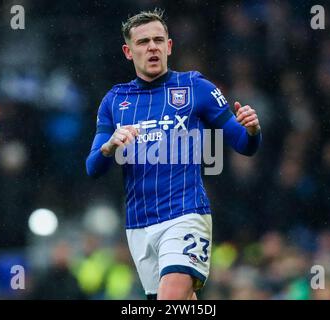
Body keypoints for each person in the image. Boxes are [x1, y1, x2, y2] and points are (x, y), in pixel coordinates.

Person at [86, 8, 261, 300]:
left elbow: (244, 144)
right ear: (128, 52)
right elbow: (93, 168)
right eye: (143, 42)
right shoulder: (114, 100)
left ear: (169, 46)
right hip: (139, 223)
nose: (152, 47)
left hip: (185, 214)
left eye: (158, 40)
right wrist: (109, 146)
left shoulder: (196, 88)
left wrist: (253, 130)